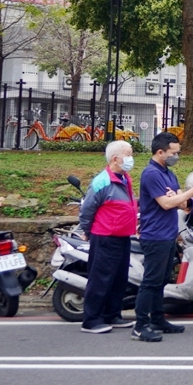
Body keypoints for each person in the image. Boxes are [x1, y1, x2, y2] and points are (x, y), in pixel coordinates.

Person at [133, 131, 193, 342]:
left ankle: (157, 319)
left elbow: (181, 204)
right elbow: (166, 203)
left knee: (162, 280)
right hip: (154, 234)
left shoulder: (169, 173)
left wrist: (180, 197)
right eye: (174, 153)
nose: (177, 156)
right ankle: (140, 325)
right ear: (160, 152)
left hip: (168, 234)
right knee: (151, 281)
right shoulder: (151, 174)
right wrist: (190, 192)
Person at [77, 140, 138, 334]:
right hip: (105, 236)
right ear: (115, 158)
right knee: (100, 278)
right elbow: (87, 210)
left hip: (122, 235)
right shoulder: (101, 182)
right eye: (128, 154)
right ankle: (92, 319)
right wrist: (86, 231)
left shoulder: (125, 178)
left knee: (119, 278)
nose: (131, 158)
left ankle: (112, 314)